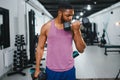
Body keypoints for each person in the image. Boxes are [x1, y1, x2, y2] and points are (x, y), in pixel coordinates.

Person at [34, 2, 86, 80]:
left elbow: (81, 49)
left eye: (72, 15)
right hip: (52, 70)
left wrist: (77, 31)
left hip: (69, 70)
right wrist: (37, 69)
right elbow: (40, 48)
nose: (70, 18)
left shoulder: (73, 28)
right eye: (68, 15)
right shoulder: (46, 27)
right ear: (60, 13)